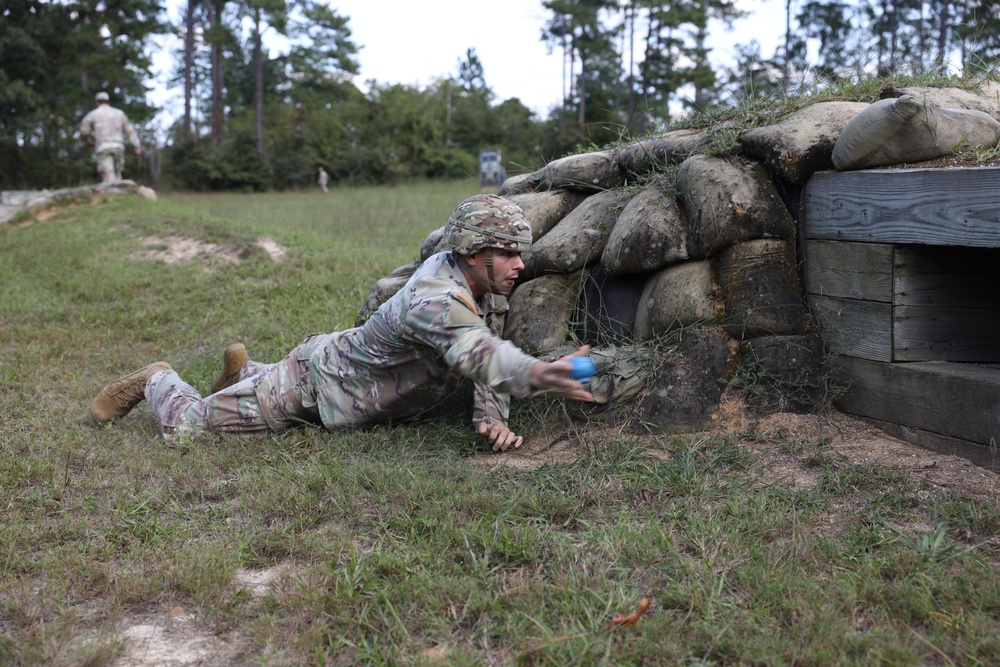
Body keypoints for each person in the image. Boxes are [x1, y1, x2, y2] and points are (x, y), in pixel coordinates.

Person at [90, 194, 594, 452]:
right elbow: (483, 356)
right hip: (311, 386)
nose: (519, 265)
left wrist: (492, 418)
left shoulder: (483, 287)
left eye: (518, 253)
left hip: (336, 377)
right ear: (471, 250)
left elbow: (484, 346)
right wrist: (547, 375)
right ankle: (157, 379)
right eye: (507, 252)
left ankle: (245, 369)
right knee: (185, 429)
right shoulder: (435, 299)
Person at [80, 91, 143, 184]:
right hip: (118, 148)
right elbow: (130, 131)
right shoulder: (120, 113)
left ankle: (111, 195)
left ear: (97, 103)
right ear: (108, 102)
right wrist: (137, 145)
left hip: (103, 148)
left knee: (109, 180)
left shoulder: (93, 114)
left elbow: (83, 132)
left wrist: (89, 142)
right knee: (117, 178)